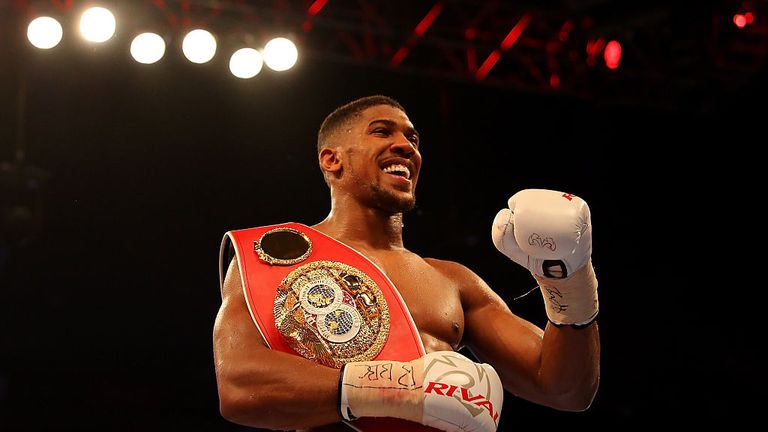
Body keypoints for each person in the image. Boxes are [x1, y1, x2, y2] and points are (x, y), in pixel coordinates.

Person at [213, 95, 600, 432]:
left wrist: (570, 283)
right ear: (332, 160)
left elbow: (565, 389)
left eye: (412, 139)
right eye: (382, 132)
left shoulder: (452, 280)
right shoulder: (274, 257)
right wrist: (398, 388)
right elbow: (238, 385)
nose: (405, 146)